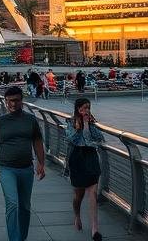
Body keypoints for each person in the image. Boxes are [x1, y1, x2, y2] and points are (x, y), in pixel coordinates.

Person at [0, 85, 45, 241]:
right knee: (13, 203)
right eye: (10, 101)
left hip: (26, 168)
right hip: (6, 169)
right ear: (5, 101)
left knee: (25, 206)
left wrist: (41, 163)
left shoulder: (30, 120)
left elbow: (37, 140)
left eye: (16, 101)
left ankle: (22, 237)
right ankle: (14, 238)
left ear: (22, 101)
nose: (13, 104)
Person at [65, 97, 105, 240]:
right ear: (78, 109)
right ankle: (77, 215)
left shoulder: (92, 123)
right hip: (77, 159)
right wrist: (79, 127)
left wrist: (87, 124)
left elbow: (98, 138)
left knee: (93, 193)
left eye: (88, 107)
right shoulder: (70, 123)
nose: (86, 110)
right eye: (83, 108)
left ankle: (95, 229)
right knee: (78, 195)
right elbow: (73, 139)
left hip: (91, 158)